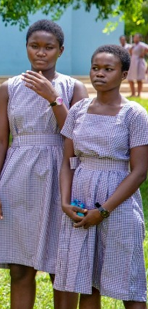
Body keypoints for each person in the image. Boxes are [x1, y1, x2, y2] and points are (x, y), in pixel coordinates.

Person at [0, 20, 88, 309]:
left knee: (61, 265)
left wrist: (54, 99)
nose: (41, 53)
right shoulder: (9, 88)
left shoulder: (73, 87)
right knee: (20, 266)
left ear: (60, 51)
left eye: (49, 47)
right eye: (35, 46)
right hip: (18, 176)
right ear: (26, 48)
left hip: (61, 174)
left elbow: (78, 136)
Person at [55, 45, 148, 308]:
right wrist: (65, 201)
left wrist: (104, 210)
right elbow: (67, 162)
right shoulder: (78, 110)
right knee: (87, 285)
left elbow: (139, 171)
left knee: (129, 287)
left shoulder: (134, 114)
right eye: (95, 68)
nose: (100, 74)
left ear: (124, 75)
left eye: (108, 69)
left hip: (117, 203)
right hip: (81, 200)